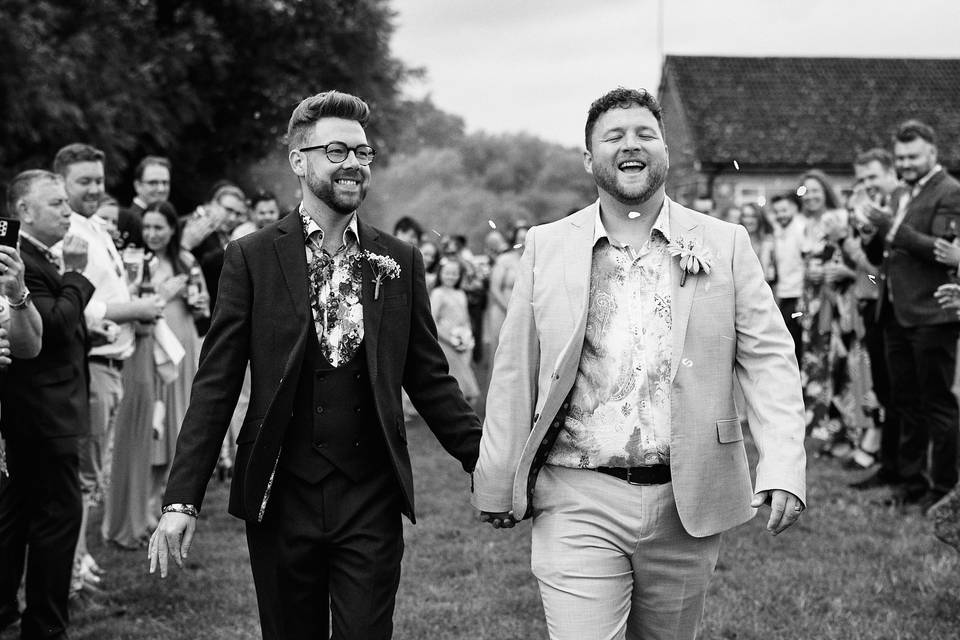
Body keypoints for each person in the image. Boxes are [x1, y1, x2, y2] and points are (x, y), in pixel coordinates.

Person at [472, 87, 806, 640]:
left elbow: (769, 358)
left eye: (645, 133)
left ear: (665, 151)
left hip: (687, 496)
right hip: (575, 493)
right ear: (589, 159)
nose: (632, 145)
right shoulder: (546, 245)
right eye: (614, 136)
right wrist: (496, 478)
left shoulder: (723, 242)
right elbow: (513, 371)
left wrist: (783, 464)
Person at [147, 90, 481, 640]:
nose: (353, 162)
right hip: (281, 493)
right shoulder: (251, 257)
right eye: (336, 150)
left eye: (363, 152)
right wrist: (183, 497)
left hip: (369, 493)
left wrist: (483, 464)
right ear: (299, 162)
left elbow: (428, 377)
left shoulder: (399, 260)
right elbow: (216, 385)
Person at [53, 143, 165, 589]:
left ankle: (79, 560)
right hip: (93, 363)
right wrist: (134, 309)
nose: (94, 189)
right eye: (84, 181)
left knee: (94, 471)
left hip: (113, 364)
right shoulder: (68, 234)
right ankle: (72, 571)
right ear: (60, 181)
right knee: (85, 473)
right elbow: (80, 303)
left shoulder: (97, 227)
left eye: (98, 180)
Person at [0, 170, 94, 639]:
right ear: (24, 211)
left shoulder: (34, 259)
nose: (67, 210)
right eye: (56, 203)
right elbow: (52, 328)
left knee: (15, 514)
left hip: (40, 407)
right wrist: (77, 276)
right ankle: (46, 625)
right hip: (42, 410)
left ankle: (6, 611)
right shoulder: (21, 263)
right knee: (58, 519)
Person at [861, 120, 960, 512]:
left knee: (937, 405)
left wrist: (891, 227)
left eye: (913, 156)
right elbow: (879, 259)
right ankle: (910, 481)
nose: (905, 163)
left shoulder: (950, 191)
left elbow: (941, 249)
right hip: (895, 311)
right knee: (905, 403)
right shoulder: (902, 192)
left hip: (933, 312)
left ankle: (943, 490)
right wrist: (872, 235)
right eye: (900, 157)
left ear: (932, 153)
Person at [845, 149, 903, 485]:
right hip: (876, 306)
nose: (866, 184)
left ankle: (898, 466)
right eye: (862, 179)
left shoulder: (895, 206)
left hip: (889, 303)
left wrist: (850, 245)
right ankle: (890, 465)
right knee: (884, 386)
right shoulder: (869, 208)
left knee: (897, 391)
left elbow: (873, 272)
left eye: (872, 177)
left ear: (890, 172)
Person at [797, 169, 862, 454]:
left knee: (838, 365)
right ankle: (820, 428)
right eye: (806, 191)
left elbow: (863, 267)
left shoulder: (841, 219)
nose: (811, 196)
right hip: (812, 306)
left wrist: (842, 272)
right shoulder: (804, 226)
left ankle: (845, 431)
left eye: (816, 191)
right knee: (816, 365)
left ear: (826, 192)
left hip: (836, 306)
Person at [431, 257, 480, 404]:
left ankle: (461, 405)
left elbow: (465, 317)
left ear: (460, 276)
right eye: (447, 273)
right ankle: (452, 404)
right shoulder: (438, 293)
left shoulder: (461, 293)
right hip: (445, 339)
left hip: (462, 338)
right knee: (454, 374)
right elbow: (432, 319)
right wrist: (449, 339)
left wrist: (468, 337)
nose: (451, 276)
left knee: (464, 369)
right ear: (440, 274)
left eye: (455, 273)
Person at [770, 193, 806, 363]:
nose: (780, 215)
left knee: (797, 344)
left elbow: (807, 263)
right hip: (784, 295)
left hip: (799, 296)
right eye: (777, 212)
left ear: (794, 208)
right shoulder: (778, 232)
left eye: (784, 210)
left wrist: (804, 298)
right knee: (788, 343)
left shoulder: (801, 229)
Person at [119, 156, 173, 249]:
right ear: (138, 186)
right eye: (153, 183)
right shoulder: (129, 222)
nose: (161, 189)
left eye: (165, 183)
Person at [740, 202, 777, 285]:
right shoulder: (737, 241)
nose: (748, 220)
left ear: (760, 218)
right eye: (745, 216)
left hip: (764, 290)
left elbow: (771, 272)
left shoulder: (768, 241)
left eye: (753, 216)